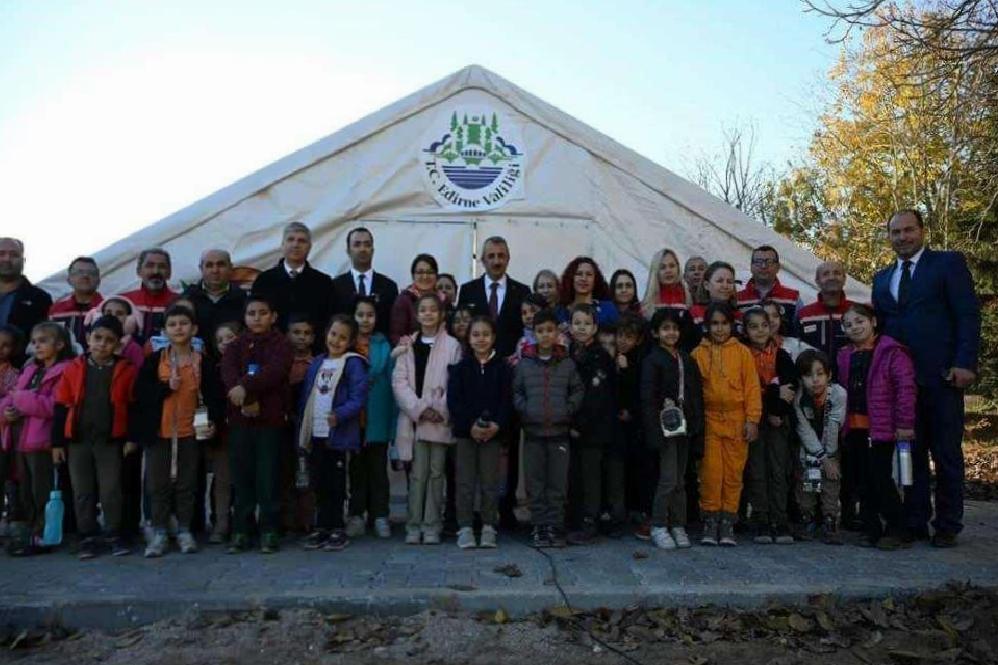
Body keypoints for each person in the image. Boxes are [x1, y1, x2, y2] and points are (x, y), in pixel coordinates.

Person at [871, 209, 980, 547]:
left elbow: (967, 314)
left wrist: (964, 362)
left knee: (946, 453)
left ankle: (947, 524)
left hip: (942, 376)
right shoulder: (881, 278)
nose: (902, 237)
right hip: (901, 386)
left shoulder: (947, 265)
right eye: (895, 232)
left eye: (908, 230)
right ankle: (914, 520)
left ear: (921, 231)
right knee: (909, 454)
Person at [131, 305, 220, 557]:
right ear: (164, 330)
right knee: (157, 484)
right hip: (159, 434)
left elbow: (213, 396)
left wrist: (213, 421)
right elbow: (140, 395)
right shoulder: (154, 360)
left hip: (190, 432)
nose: (178, 328)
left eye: (183, 323)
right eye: (172, 324)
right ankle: (159, 531)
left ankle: (184, 530)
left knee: (187, 484)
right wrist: (165, 387)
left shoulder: (202, 361)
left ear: (194, 329)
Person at [457, 237, 531, 529]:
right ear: (482, 260)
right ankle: (477, 509)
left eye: (501, 255)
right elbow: (464, 331)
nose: (496, 260)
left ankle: (507, 506)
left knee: (507, 443)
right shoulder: (469, 291)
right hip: (477, 374)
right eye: (490, 255)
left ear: (508, 258)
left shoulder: (522, 292)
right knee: (475, 441)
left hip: (508, 375)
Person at [51, 316, 137, 559]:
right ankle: (87, 535)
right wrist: (57, 442)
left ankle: (113, 533)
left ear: (118, 344)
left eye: (109, 340)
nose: (102, 344)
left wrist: (131, 437)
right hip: (78, 441)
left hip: (110, 441)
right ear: (87, 339)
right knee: (82, 490)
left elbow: (133, 406)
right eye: (97, 338)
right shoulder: (74, 368)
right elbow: (61, 405)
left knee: (111, 489)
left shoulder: (126, 369)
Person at [837, 305, 917, 549]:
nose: (855, 327)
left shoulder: (892, 352)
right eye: (849, 325)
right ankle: (871, 528)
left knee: (881, 479)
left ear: (873, 322)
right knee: (862, 480)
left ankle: (897, 528)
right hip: (854, 427)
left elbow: (906, 389)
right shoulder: (844, 355)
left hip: (881, 428)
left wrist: (905, 423)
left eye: (860, 321)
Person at [221, 295, 293, 554]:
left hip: (270, 421)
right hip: (240, 421)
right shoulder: (235, 345)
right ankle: (241, 529)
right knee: (242, 477)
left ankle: (270, 530)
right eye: (252, 313)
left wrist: (246, 389)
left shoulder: (281, 344)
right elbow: (228, 372)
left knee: (268, 476)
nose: (257, 318)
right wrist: (239, 392)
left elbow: (275, 372)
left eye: (263, 313)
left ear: (273, 316)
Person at [391, 294, 463, 545]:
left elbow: (455, 382)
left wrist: (439, 409)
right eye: (423, 309)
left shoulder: (453, 345)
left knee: (436, 474)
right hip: (416, 421)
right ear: (417, 314)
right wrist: (420, 409)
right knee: (417, 474)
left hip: (440, 422)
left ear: (442, 314)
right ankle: (413, 525)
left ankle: (432, 525)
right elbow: (399, 383)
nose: (429, 314)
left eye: (434, 309)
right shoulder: (407, 345)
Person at [691, 302, 761, 547]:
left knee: (733, 474)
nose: (719, 329)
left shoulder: (742, 352)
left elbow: (752, 388)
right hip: (710, 420)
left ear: (732, 325)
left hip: (737, 419)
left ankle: (728, 521)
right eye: (714, 324)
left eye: (724, 323)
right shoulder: (698, 354)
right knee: (711, 473)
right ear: (707, 326)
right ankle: (710, 520)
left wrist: (752, 420)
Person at [0, 322, 74, 555]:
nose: (37, 346)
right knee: (26, 491)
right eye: (34, 341)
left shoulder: (66, 370)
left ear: (60, 344)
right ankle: (30, 533)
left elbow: (55, 405)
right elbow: (12, 398)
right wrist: (7, 411)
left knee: (43, 490)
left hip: (43, 441)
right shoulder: (30, 368)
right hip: (20, 439)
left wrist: (22, 400)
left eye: (43, 341)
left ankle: (45, 535)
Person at [297, 315, 369, 553]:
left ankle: (337, 526)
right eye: (333, 334)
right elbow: (308, 395)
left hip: (337, 435)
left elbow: (358, 397)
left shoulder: (353, 363)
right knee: (318, 481)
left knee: (336, 482)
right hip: (316, 432)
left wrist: (339, 414)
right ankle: (322, 526)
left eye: (343, 337)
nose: (336, 341)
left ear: (350, 342)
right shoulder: (317, 362)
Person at [513, 309, 584, 548]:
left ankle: (555, 525)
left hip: (559, 434)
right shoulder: (525, 364)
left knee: (557, 483)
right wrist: (526, 409)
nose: (545, 335)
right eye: (540, 331)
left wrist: (567, 408)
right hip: (533, 434)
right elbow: (516, 392)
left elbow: (577, 390)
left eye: (549, 330)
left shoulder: (566, 363)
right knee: (536, 483)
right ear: (534, 334)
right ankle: (539, 526)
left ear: (557, 333)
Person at [641, 308, 704, 550]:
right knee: (667, 478)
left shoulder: (687, 359)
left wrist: (696, 425)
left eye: (675, 328)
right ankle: (658, 525)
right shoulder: (652, 360)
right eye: (666, 328)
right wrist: (653, 431)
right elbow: (647, 398)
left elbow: (696, 394)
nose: (671, 333)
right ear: (656, 332)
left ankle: (678, 524)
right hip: (663, 428)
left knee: (680, 479)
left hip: (684, 427)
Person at [447, 315, 512, 549]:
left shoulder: (503, 368)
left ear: (493, 337)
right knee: (464, 481)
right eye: (476, 335)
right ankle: (464, 526)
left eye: (486, 334)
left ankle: (488, 525)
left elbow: (507, 401)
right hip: (466, 435)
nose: (481, 339)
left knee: (490, 481)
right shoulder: (461, 368)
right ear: (468, 338)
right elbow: (454, 402)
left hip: (492, 435)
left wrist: (497, 425)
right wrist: (469, 426)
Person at [741, 307, 797, 545]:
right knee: (756, 470)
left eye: (764, 325)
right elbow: (746, 389)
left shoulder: (781, 355)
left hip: (777, 421)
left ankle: (780, 518)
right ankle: (761, 518)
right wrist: (773, 393)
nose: (760, 331)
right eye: (753, 327)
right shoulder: (742, 355)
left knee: (778, 469)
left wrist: (776, 409)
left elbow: (790, 388)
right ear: (745, 331)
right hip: (752, 419)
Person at [565, 304, 617, 546]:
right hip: (570, 425)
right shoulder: (567, 355)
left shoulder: (600, 356)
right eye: (577, 323)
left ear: (594, 327)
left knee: (591, 476)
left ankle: (590, 520)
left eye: (586, 323)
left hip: (593, 429)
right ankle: (574, 519)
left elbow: (598, 397)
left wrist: (581, 424)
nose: (581, 328)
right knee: (574, 475)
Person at [347, 296, 396, 539]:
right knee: (356, 469)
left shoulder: (383, 344)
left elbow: (391, 381)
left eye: (370, 315)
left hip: (377, 413)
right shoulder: (346, 343)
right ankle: (356, 515)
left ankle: (380, 515)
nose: (365, 320)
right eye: (360, 315)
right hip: (353, 417)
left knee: (378, 469)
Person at [795, 349, 848, 545]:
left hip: (832, 449)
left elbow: (834, 425)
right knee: (809, 485)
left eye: (820, 374)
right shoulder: (799, 399)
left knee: (831, 484)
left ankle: (830, 520)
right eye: (808, 375)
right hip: (809, 451)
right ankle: (808, 519)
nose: (815, 380)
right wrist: (821, 458)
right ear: (801, 378)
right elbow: (804, 430)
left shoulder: (838, 394)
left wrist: (830, 458)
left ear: (829, 375)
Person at [251, 222, 334, 342]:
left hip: (312, 352)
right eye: (290, 240)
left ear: (309, 246)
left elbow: (329, 320)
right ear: (282, 245)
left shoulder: (324, 282)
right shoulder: (264, 281)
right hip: (271, 349)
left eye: (301, 241)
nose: (295, 245)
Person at [612, 311, 646, 537]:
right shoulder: (611, 356)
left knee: (636, 468)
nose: (623, 341)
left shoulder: (640, 361)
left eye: (629, 337)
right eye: (620, 335)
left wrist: (624, 370)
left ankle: (637, 510)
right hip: (614, 423)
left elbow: (637, 391)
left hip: (635, 423)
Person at [207, 320, 241, 544]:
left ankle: (243, 522)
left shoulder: (249, 365)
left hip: (246, 429)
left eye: (230, 337)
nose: (225, 343)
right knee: (222, 481)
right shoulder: (212, 369)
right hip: (220, 431)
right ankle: (221, 523)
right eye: (220, 340)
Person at [330, 227, 399, 337]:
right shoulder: (335, 286)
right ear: (348, 251)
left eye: (367, 245)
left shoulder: (389, 287)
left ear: (373, 250)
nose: (362, 249)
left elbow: (393, 326)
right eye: (357, 245)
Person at [283, 314, 316, 535]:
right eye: (296, 333)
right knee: (285, 472)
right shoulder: (281, 362)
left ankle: (308, 520)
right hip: (285, 422)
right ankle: (286, 520)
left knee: (308, 473)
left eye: (306, 333)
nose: (301, 338)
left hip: (310, 425)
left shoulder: (317, 363)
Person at [0, 238, 53, 365]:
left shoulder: (40, 298)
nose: (7, 259)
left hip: (21, 374)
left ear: (23, 261)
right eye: (1, 254)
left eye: (14, 255)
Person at [182, 249, 247, 348]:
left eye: (221, 265)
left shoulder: (243, 299)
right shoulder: (187, 298)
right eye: (209, 265)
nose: (215, 270)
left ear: (230, 267)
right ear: (201, 268)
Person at [736, 245, 802, 336]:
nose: (763, 266)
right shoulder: (737, 299)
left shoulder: (793, 298)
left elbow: (800, 334)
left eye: (769, 262)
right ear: (751, 267)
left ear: (778, 267)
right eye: (758, 262)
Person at [796, 261, 852, 365]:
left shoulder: (856, 312)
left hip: (850, 378)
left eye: (837, 273)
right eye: (826, 274)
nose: (832, 277)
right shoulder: (804, 315)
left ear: (844, 279)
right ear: (817, 281)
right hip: (814, 379)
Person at [120, 248, 178, 342]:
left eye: (162, 266)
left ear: (169, 273)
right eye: (150, 266)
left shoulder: (180, 302)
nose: (156, 271)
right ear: (139, 271)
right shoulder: (124, 301)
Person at [48, 256, 104, 352]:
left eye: (91, 273)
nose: (85, 276)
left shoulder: (107, 307)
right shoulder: (56, 310)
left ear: (98, 279)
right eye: (79, 272)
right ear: (69, 279)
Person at [390, 254, 442, 347]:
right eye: (420, 272)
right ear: (413, 276)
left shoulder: (443, 300)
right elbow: (396, 335)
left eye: (430, 272)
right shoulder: (404, 300)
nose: (425, 276)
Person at [688, 261, 741, 350]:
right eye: (720, 281)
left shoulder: (739, 317)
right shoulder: (694, 313)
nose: (725, 285)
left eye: (729, 281)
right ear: (706, 285)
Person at [0, 325, 22, 530]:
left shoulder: (13, 374)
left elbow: (12, 400)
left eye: (6, 345)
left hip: (3, 435)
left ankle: (10, 522)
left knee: (6, 478)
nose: (0, 348)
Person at [556, 257, 619, 326]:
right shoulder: (560, 312)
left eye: (589, 274)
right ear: (571, 278)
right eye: (579, 274)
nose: (584, 279)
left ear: (595, 279)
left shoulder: (608, 309)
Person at [641, 249, 691, 322]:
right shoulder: (647, 304)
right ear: (656, 272)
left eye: (672, 266)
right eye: (662, 267)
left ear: (678, 268)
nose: (668, 271)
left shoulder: (688, 296)